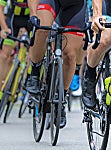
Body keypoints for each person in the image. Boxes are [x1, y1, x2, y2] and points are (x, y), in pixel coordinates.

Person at [26, 0, 88, 128]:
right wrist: (33, 14)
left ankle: (61, 98)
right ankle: (35, 74)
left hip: (74, 5)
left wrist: (95, 15)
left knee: (70, 55)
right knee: (42, 29)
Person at [0, 0, 30, 98]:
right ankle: (1, 88)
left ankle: (30, 78)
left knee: (33, 53)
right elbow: (0, 9)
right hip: (13, 19)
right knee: (5, 55)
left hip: (30, 19)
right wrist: (4, 28)